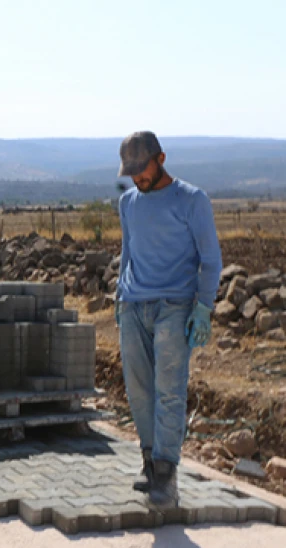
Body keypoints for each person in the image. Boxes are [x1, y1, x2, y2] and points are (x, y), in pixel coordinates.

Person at [115, 131, 222, 508]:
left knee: (169, 389)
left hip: (175, 307)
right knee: (139, 390)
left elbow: (211, 260)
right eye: (131, 174)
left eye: (141, 171)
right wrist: (119, 298)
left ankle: (167, 475)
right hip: (134, 306)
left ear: (161, 158)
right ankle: (149, 464)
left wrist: (204, 307)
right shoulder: (128, 202)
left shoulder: (192, 200)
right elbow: (128, 251)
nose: (137, 180)